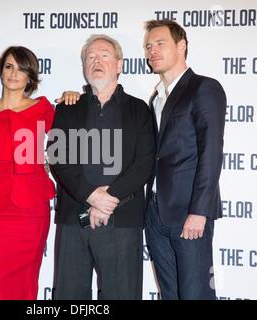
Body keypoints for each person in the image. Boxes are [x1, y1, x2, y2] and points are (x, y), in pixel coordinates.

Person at [49, 34, 155, 300]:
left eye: (104, 55)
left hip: (123, 221)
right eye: (90, 57)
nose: (96, 61)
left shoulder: (140, 110)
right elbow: (58, 159)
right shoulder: (67, 109)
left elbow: (144, 164)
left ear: (119, 65)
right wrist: (91, 195)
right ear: (84, 67)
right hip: (74, 219)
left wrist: (108, 199)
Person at [0, 46, 62, 300]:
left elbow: (65, 148)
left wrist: (77, 97)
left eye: (21, 68)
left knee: (26, 284)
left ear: (30, 77)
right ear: (1, 72)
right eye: (9, 66)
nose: (13, 73)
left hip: (32, 211)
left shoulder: (44, 110)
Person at [143, 19, 226, 300]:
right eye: (148, 46)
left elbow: (211, 152)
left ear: (182, 46)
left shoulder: (203, 88)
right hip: (155, 214)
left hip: (189, 214)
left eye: (160, 43)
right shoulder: (155, 98)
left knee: (195, 295)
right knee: (170, 295)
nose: (152, 50)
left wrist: (199, 211)